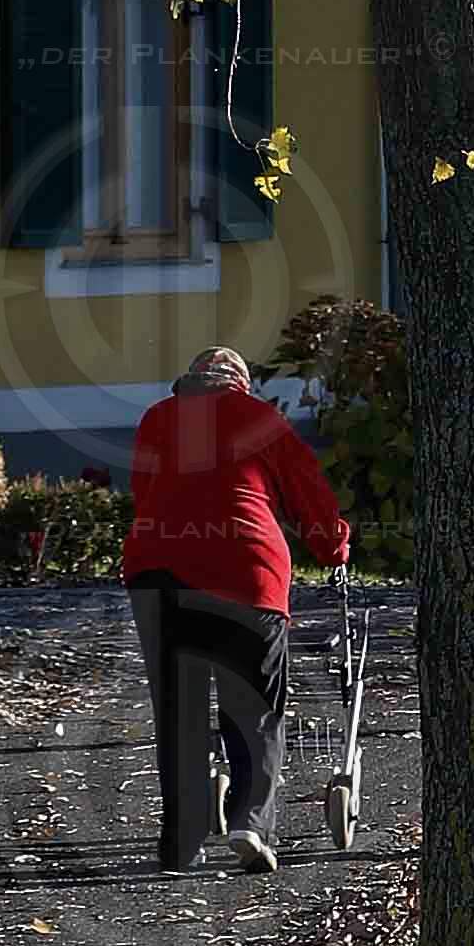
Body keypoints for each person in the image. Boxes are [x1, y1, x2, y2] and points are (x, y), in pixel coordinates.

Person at [121, 342, 348, 872]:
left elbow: (144, 493)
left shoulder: (157, 419)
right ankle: (250, 822)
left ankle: (181, 842)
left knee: (178, 709)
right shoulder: (258, 418)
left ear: (192, 379)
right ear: (238, 383)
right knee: (253, 707)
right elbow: (307, 494)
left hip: (158, 572)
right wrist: (333, 548)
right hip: (246, 572)